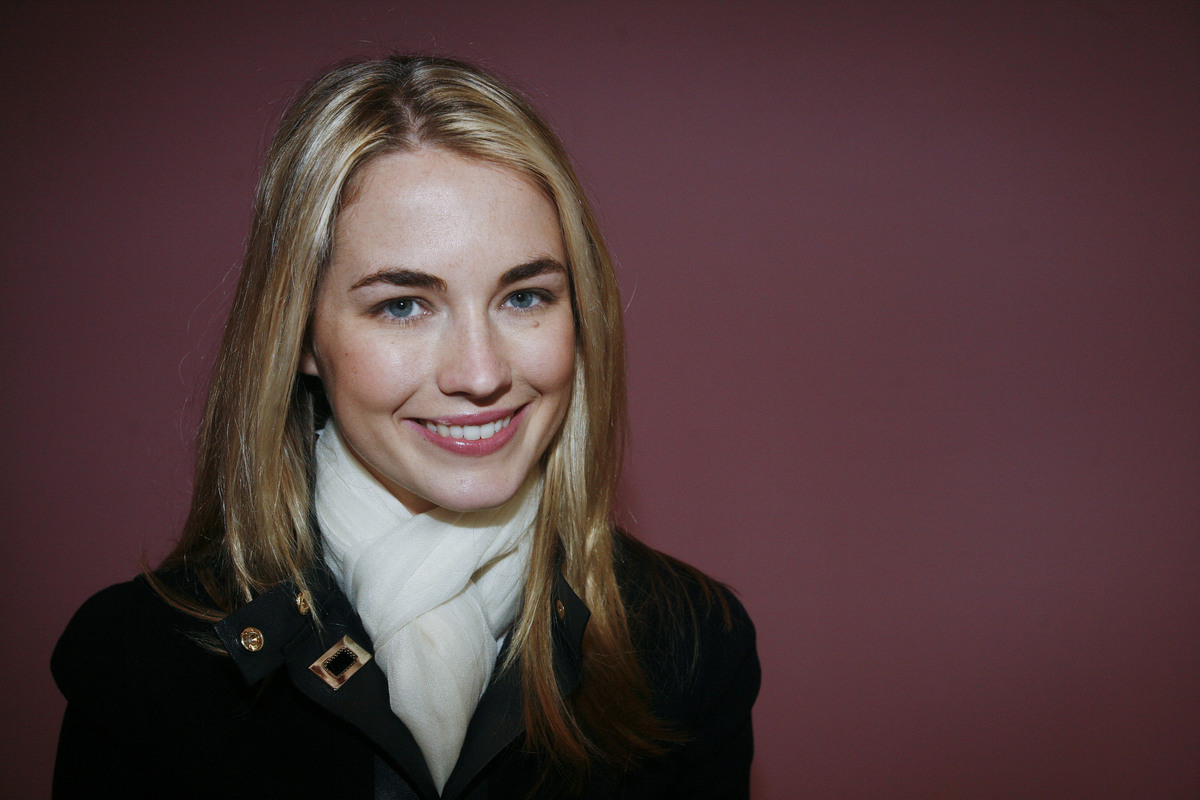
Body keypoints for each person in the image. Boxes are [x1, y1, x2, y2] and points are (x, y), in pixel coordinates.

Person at [51, 55, 759, 800]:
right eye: (402, 305)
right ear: (298, 336)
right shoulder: (141, 665)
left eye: (524, 296)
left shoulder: (689, 647)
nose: (481, 373)